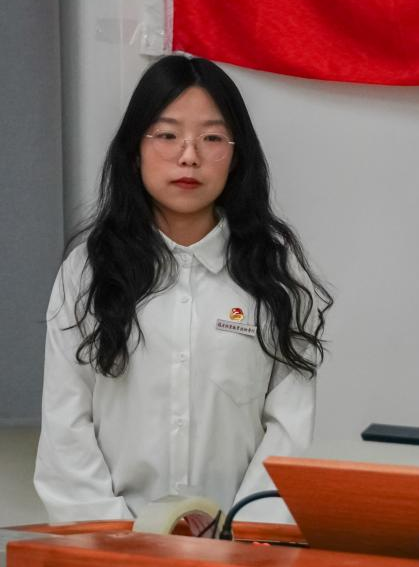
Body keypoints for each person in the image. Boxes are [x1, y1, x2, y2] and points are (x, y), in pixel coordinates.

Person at [35, 55, 332, 524]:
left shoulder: (276, 275)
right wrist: (118, 540)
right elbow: (65, 423)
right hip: (113, 543)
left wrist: (243, 536)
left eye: (212, 138)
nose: (189, 156)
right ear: (135, 149)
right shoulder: (88, 271)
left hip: (240, 546)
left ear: (236, 156)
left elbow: (289, 430)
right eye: (167, 135)